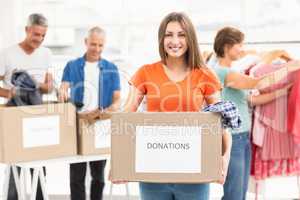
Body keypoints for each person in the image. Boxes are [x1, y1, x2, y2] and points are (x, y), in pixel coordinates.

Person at [117, 12, 232, 200]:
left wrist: (224, 159)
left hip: (194, 172)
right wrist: (119, 161)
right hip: (152, 171)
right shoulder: (145, 73)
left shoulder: (205, 75)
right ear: (162, 38)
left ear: (190, 39)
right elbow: (125, 119)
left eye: (182, 34)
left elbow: (222, 123)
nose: (175, 41)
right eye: (169, 34)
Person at [211, 27, 294, 200]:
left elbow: (251, 100)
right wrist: (289, 68)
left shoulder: (231, 72)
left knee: (239, 193)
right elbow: (259, 83)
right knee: (234, 194)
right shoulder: (224, 73)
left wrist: (283, 92)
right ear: (227, 46)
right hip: (233, 140)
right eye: (239, 45)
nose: (242, 49)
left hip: (242, 138)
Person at [59, 26, 121, 200]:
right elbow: (63, 87)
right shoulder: (72, 66)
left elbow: (117, 101)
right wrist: (62, 90)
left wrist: (103, 113)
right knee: (76, 175)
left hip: (100, 125)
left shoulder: (111, 68)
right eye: (93, 44)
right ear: (86, 42)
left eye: (101, 45)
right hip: (77, 124)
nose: (97, 49)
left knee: (98, 176)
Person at [0, 13, 54, 200]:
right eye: (36, 34)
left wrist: (34, 84)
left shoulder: (46, 54)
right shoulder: (7, 53)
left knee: (39, 160)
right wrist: (10, 93)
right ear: (26, 30)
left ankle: (40, 197)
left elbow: (49, 87)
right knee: (15, 161)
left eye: (43, 36)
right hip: (14, 110)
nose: (39, 39)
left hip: (36, 111)